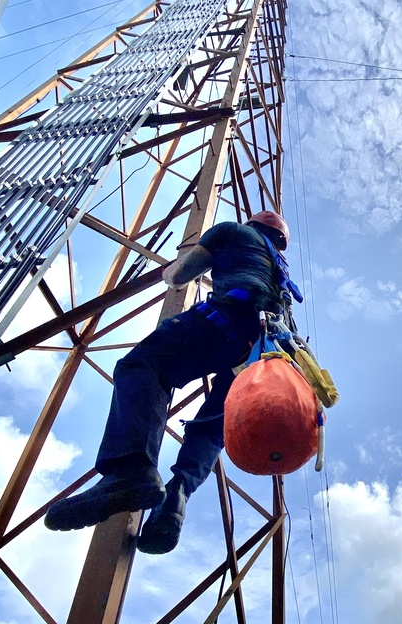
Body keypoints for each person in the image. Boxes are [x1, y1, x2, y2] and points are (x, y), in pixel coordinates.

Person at [45, 210, 296, 552]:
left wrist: (171, 271)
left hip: (227, 322)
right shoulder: (281, 274)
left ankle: (128, 470)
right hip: (265, 358)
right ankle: (175, 499)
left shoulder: (233, 231)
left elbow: (180, 275)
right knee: (210, 430)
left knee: (143, 366)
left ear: (252, 224)